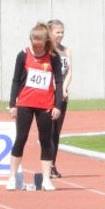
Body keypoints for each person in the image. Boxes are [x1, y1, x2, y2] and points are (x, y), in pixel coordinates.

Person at [5, 23, 63, 191]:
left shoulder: (53, 57)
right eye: (34, 43)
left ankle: (46, 179)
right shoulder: (22, 55)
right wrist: (12, 104)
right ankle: (11, 177)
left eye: (40, 44)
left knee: (46, 140)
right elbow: (16, 80)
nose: (36, 47)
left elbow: (58, 81)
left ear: (46, 41)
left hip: (45, 104)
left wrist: (58, 105)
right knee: (20, 138)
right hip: (24, 103)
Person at [45, 19, 71, 178]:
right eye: (57, 32)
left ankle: (53, 164)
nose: (60, 35)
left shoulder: (66, 50)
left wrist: (63, 89)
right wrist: (55, 88)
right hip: (48, 94)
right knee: (48, 131)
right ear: (49, 33)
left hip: (62, 95)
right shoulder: (46, 51)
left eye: (62, 32)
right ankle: (47, 164)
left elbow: (69, 71)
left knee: (56, 132)